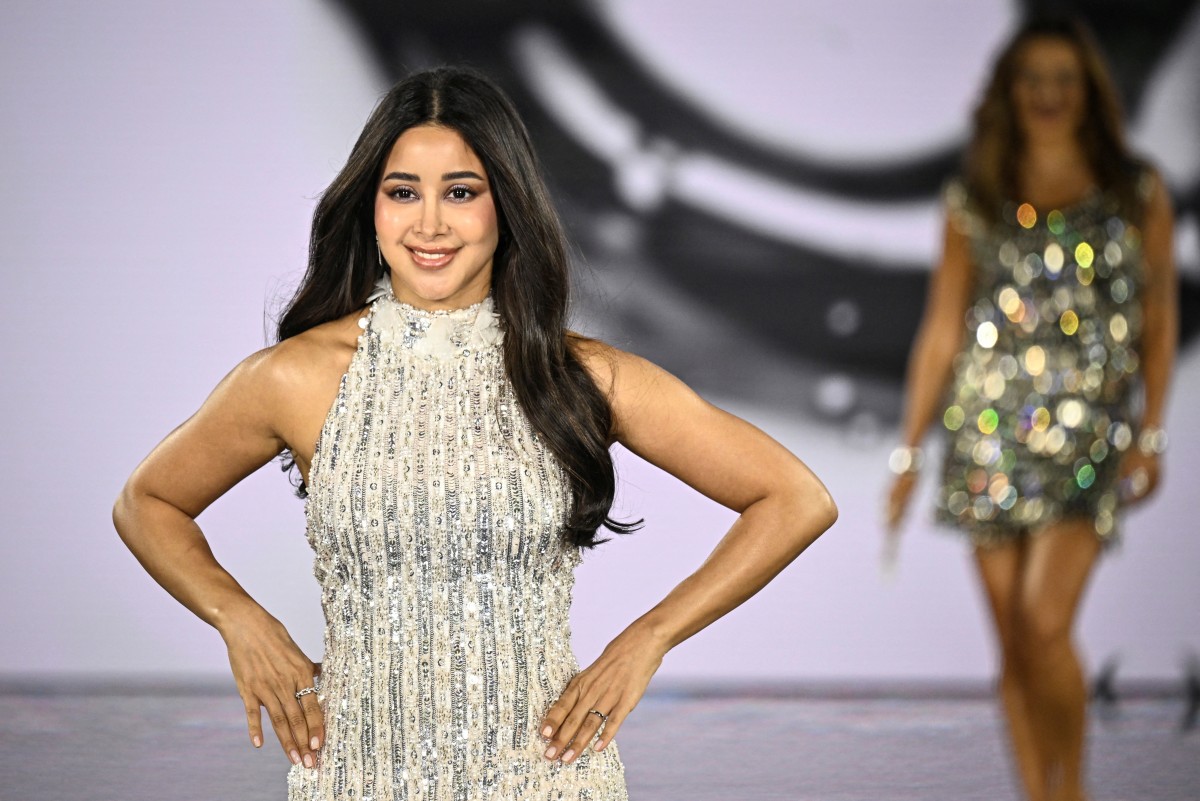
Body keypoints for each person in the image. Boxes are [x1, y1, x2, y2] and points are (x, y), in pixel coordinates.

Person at [113, 66, 837, 800]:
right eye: (403, 193)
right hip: (360, 777)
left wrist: (647, 639)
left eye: (461, 192)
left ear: (506, 207)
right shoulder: (293, 377)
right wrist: (239, 620)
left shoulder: (579, 375)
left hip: (546, 777)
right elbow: (147, 502)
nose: (429, 224)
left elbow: (795, 498)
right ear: (370, 209)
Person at [884, 17, 1177, 801]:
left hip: (1090, 434)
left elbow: (1159, 318)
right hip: (986, 433)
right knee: (1014, 641)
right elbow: (941, 329)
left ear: (1089, 92)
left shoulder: (1137, 193)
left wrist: (1151, 432)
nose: (1048, 94)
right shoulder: (975, 198)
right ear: (1009, 94)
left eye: (1063, 79)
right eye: (1033, 79)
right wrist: (909, 453)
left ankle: (1071, 789)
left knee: (1045, 622)